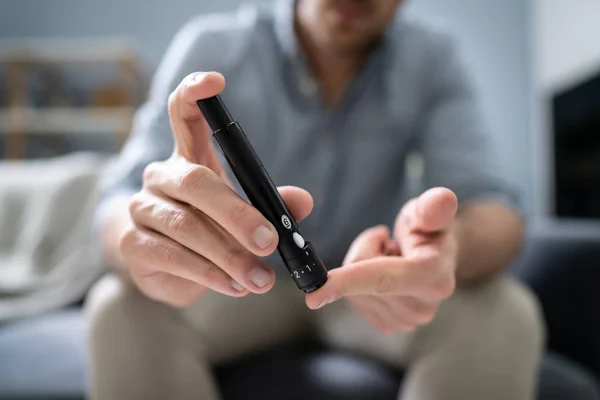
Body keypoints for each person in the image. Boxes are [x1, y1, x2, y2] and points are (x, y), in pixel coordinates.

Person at [85, 0, 544, 399]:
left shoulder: (432, 58)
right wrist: (149, 237)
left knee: (506, 311)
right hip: (237, 285)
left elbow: (494, 206)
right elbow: (120, 199)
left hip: (365, 288)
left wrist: (447, 249)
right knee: (118, 306)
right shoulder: (212, 47)